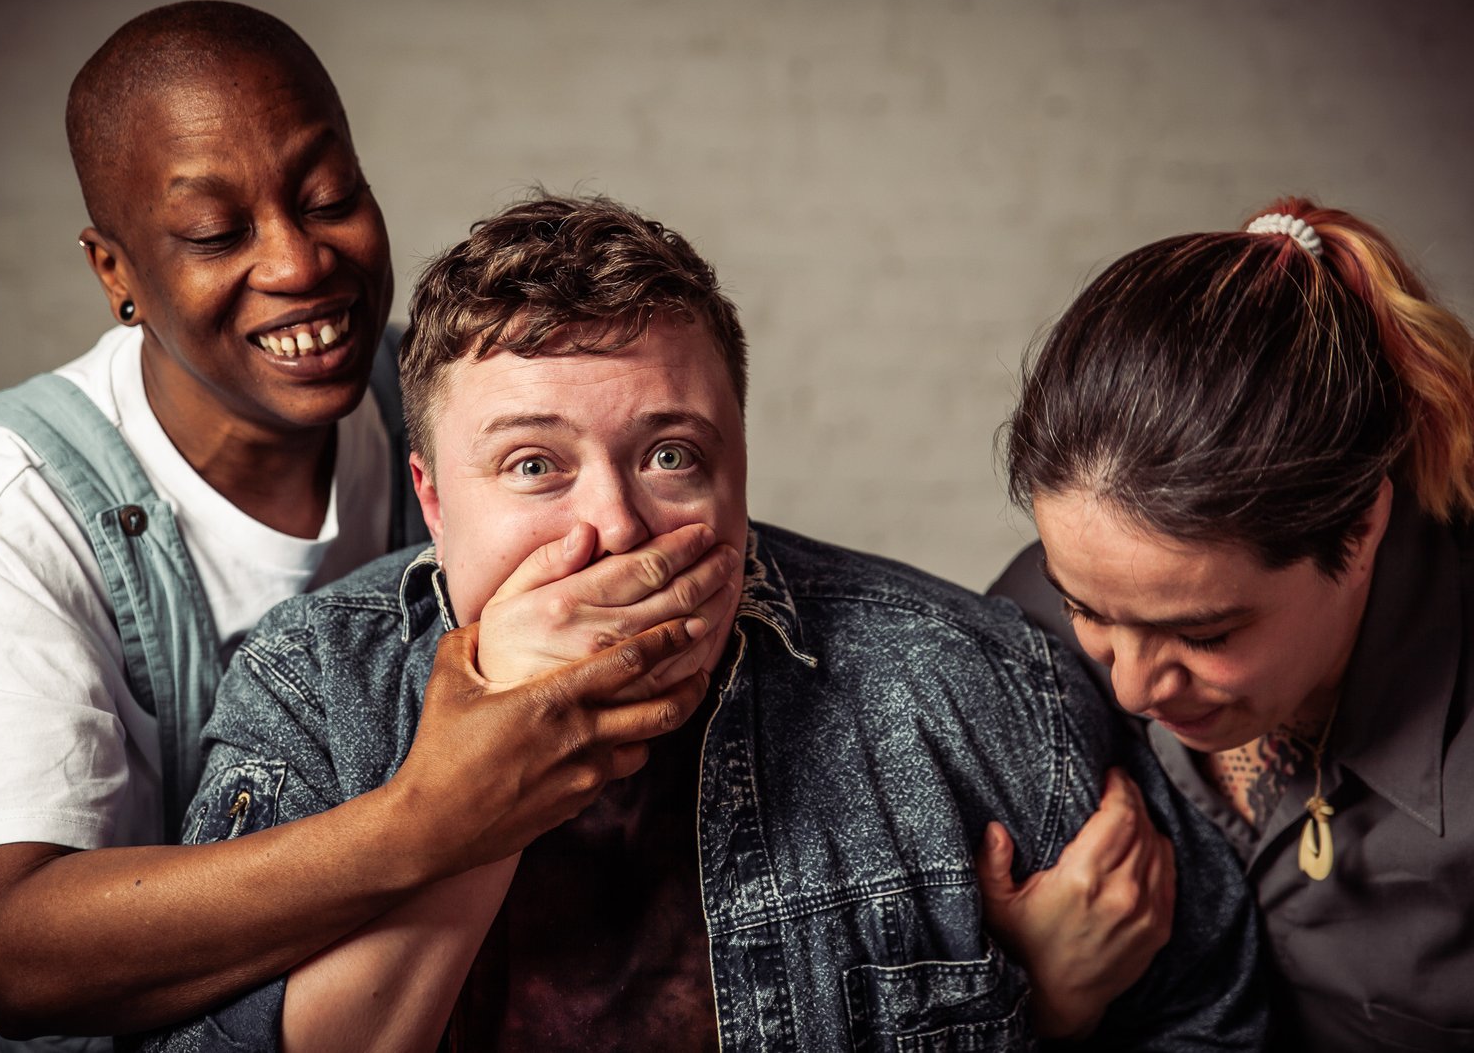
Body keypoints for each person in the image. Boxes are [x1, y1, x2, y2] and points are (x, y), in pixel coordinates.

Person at [148, 193, 1267, 1052]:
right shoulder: (314, 691)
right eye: (533, 465)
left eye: (671, 455)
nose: (617, 525)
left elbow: (1211, 1015)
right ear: (433, 499)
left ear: (738, 470)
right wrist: (492, 773)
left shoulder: (966, 682)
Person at [0, 4, 723, 1050]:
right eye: (216, 233)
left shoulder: (446, 404)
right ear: (115, 271)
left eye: (329, 197)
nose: (298, 262)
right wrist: (434, 819)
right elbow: (13, 955)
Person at [993, 197, 1474, 1050]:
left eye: (1204, 635)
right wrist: (1037, 999)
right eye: (1087, 608)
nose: (1133, 687)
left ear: (1360, 529)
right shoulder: (1018, 634)